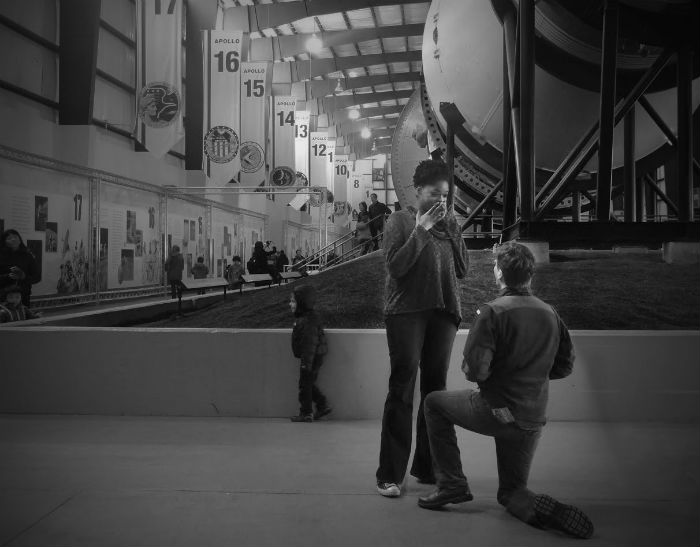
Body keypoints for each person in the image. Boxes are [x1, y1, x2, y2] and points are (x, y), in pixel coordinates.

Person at [417, 242, 594, 540]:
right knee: (511, 491)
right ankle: (533, 506)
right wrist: (531, 373)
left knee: (434, 403)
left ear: (499, 272)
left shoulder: (493, 312)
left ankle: (452, 484)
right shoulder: (551, 313)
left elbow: (476, 371)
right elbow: (564, 367)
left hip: (495, 410)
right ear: (530, 275)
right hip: (531, 419)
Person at [376, 159, 469, 498]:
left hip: (443, 313)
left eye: (445, 195)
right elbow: (396, 268)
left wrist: (454, 227)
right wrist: (422, 228)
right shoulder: (399, 221)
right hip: (405, 312)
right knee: (402, 387)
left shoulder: (449, 224)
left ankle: (428, 466)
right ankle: (389, 473)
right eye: (434, 194)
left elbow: (463, 269)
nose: (440, 201)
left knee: (434, 392)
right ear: (417, 191)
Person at [289, 285, 332, 423]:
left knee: (305, 385)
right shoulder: (305, 318)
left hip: (311, 358)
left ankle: (306, 412)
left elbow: (309, 343)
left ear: (302, 302)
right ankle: (322, 405)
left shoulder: (308, 320)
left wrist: (305, 364)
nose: (290, 304)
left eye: (293, 301)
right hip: (312, 357)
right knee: (308, 384)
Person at [0, 229, 41, 307]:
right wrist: (8, 276)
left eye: (15, 236)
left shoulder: (28, 256)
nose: (13, 239)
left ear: (19, 239)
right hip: (3, 297)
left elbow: (37, 277)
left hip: (23, 297)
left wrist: (24, 277)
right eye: (9, 238)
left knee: (24, 317)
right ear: (4, 242)